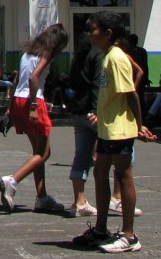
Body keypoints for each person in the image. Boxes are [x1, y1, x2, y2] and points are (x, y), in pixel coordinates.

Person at [72, 11, 156, 253]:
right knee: (100, 172)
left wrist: (139, 125)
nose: (90, 34)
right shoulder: (107, 55)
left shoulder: (116, 58)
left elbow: (130, 94)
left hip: (120, 129)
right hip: (107, 127)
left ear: (108, 33)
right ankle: (100, 229)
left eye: (94, 29)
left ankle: (129, 235)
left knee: (123, 175)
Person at [0, 23, 70, 214]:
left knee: (37, 152)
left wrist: (9, 109)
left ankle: (42, 197)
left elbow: (16, 81)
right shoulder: (46, 54)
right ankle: (12, 181)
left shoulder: (27, 54)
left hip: (19, 100)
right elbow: (33, 78)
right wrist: (35, 105)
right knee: (44, 153)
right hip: (32, 100)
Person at [66, 29, 103, 218]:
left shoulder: (78, 56)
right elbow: (98, 83)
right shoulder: (98, 54)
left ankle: (79, 201)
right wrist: (97, 109)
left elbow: (71, 81)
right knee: (125, 154)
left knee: (81, 155)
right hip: (92, 111)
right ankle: (117, 197)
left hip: (79, 110)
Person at [127, 34, 150, 111]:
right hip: (140, 78)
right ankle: (142, 116)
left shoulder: (127, 51)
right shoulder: (142, 51)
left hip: (130, 77)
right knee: (140, 97)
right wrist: (146, 78)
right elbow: (145, 66)